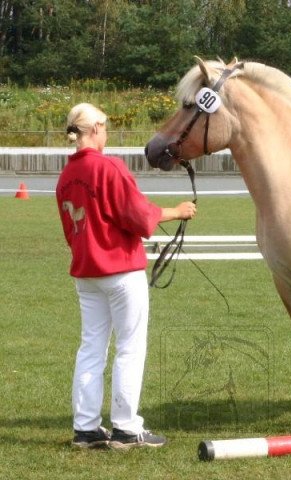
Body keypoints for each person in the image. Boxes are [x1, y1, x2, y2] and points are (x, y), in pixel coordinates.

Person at [56, 103, 196, 449]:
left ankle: (86, 428)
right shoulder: (108, 167)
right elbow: (137, 215)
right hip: (119, 270)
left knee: (91, 348)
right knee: (130, 349)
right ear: (96, 128)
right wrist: (176, 211)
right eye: (105, 126)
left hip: (86, 272)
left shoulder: (65, 175)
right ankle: (126, 427)